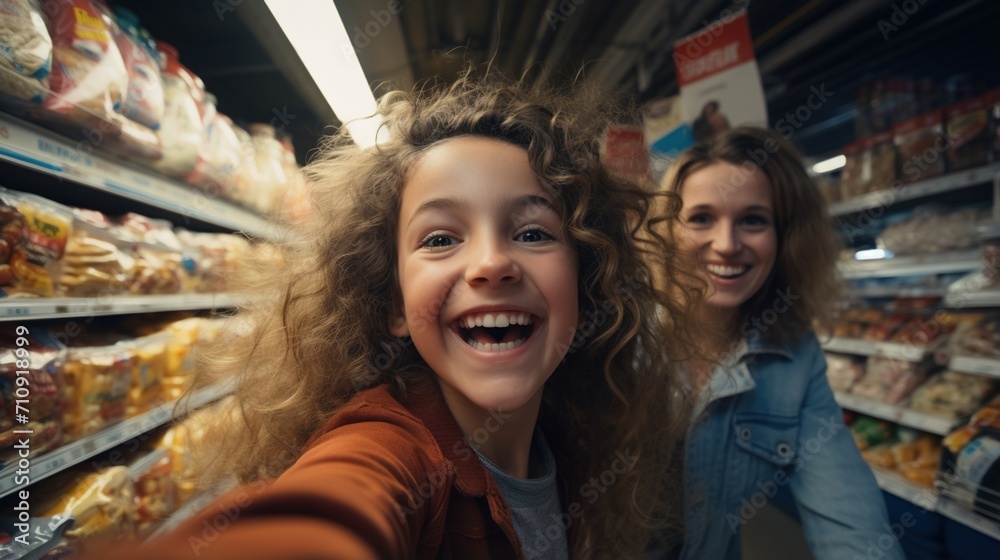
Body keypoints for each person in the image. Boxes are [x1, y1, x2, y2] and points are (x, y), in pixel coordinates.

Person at [85, 72, 704, 559]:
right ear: (393, 307)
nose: (491, 263)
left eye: (534, 232)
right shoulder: (388, 452)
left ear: (585, 283)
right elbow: (336, 509)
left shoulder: (566, 440)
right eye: (439, 239)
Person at [658, 126, 905, 560]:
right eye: (701, 218)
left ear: (786, 236)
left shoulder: (793, 356)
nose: (727, 244)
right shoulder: (617, 338)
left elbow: (849, 515)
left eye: (753, 220)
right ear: (667, 231)